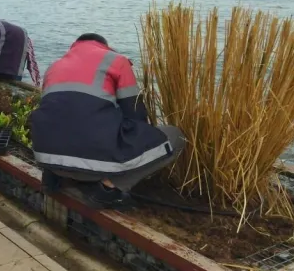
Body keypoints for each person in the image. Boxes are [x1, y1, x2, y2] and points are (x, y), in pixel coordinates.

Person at [30, 33, 186, 209]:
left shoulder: (54, 66)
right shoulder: (117, 61)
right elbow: (136, 116)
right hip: (94, 168)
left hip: (47, 160)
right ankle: (108, 189)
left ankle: (53, 178)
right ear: (104, 45)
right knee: (175, 136)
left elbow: (54, 114)